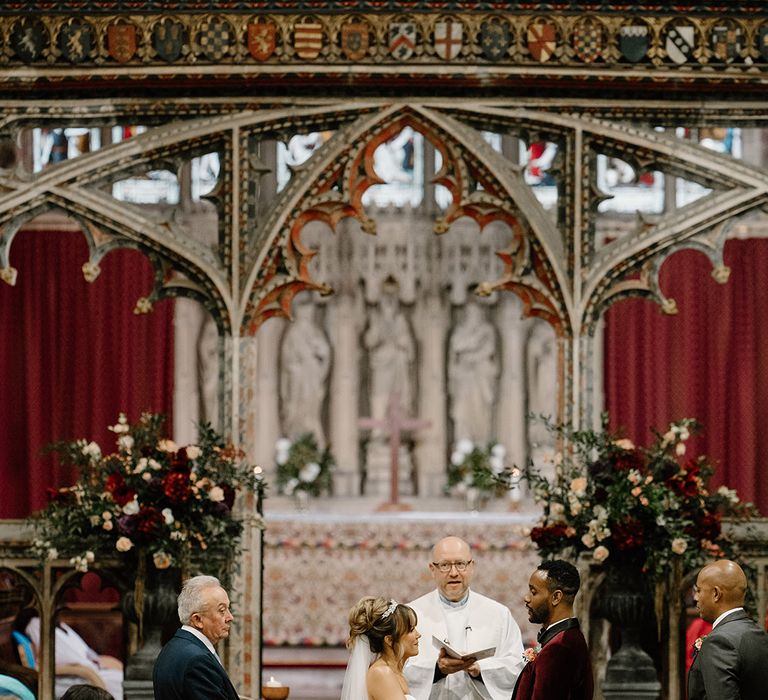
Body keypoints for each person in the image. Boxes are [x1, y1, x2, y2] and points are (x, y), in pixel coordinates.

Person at [403, 536, 524, 699]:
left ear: (472, 566)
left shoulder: (499, 614)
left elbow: (516, 666)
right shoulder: (411, 614)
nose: (454, 573)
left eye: (460, 564)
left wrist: (480, 668)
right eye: (445, 565)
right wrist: (437, 669)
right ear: (432, 569)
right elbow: (396, 667)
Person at [512, 560, 593, 700]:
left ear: (556, 597)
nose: (526, 598)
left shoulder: (558, 648)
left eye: (533, 592)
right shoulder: (569, 637)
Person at [688, 559, 768, 700]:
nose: (695, 597)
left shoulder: (718, 641)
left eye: (699, 590)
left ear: (716, 594)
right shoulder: (760, 634)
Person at [152, 574, 240, 700]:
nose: (230, 617)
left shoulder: (175, 647)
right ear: (197, 619)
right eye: (222, 610)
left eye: (228, 608)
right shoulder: (196, 660)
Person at [21, 612, 123, 700]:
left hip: (91, 670)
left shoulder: (62, 625)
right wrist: (85, 671)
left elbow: (88, 653)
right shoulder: (36, 624)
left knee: (123, 678)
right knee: (119, 683)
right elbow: (42, 661)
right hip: (70, 676)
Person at [341, 596, 421, 700]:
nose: (418, 634)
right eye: (411, 630)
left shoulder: (395, 672)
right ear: (389, 640)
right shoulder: (382, 673)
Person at [280, 297, 332, 445]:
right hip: (297, 379)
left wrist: (320, 353)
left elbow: (325, 353)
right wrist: (295, 365)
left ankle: (312, 437)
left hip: (313, 378)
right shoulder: (292, 333)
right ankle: (294, 437)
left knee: (312, 411)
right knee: (295, 409)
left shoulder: (315, 332)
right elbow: (286, 359)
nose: (306, 317)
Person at [364, 280, 415, 427]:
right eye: (386, 299)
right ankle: (379, 429)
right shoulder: (376, 319)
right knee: (380, 395)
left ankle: (396, 426)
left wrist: (402, 343)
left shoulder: (400, 321)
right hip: (381, 365)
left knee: (398, 395)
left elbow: (409, 348)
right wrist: (376, 333)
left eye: (392, 299)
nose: (389, 303)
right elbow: (368, 341)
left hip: (398, 366)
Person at [448, 300, 499, 444]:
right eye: (469, 313)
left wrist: (470, 355)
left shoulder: (487, 329)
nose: (473, 315)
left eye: (475, 312)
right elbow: (456, 345)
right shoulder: (461, 329)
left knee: (481, 411)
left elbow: (489, 349)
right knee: (463, 411)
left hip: (481, 377)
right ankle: (463, 442)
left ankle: (482, 442)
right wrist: (474, 342)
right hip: (464, 378)